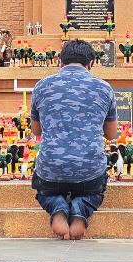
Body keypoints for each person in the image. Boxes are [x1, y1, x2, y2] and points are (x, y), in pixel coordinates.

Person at [30, 38, 118, 240]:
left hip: (51, 172)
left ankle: (57, 206)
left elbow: (36, 130)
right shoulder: (104, 89)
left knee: (43, 190)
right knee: (96, 190)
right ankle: (81, 208)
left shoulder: (42, 87)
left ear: (60, 62)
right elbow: (111, 135)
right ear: (91, 64)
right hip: (90, 174)